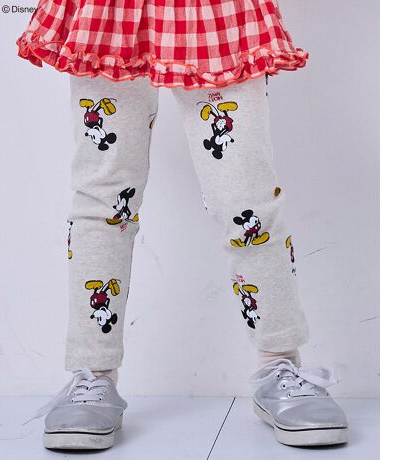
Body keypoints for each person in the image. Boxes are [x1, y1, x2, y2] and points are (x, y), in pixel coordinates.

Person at [17, 0, 348, 450]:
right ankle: (93, 374)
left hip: (216, 12)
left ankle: (279, 363)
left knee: (246, 197)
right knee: (104, 197)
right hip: (109, 12)